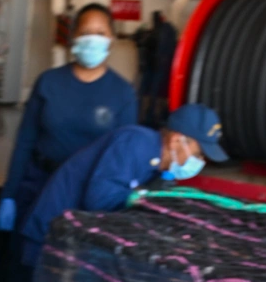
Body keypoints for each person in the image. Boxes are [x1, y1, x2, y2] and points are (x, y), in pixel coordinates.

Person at [19, 104, 228, 270]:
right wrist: (142, 198)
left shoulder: (158, 167)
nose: (200, 161)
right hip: (48, 237)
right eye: (199, 153)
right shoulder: (134, 144)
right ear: (176, 141)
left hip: (71, 243)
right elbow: (100, 199)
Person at [0, 2, 138, 237]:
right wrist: (9, 195)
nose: (92, 40)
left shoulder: (122, 92)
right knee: (28, 262)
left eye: (100, 33)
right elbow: (24, 142)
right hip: (39, 186)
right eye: (85, 33)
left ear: (112, 38)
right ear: (72, 37)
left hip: (90, 195)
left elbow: (124, 158)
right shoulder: (48, 82)